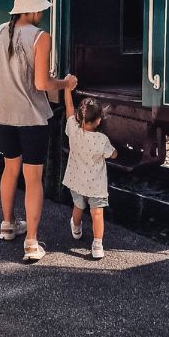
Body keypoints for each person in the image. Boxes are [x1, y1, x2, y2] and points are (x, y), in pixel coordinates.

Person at [0, 0, 77, 263]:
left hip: (2, 115)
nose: (42, 14)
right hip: (32, 118)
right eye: (41, 10)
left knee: (11, 168)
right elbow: (42, 85)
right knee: (33, 177)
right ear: (33, 11)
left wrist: (8, 86)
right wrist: (66, 83)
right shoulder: (40, 38)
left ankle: (8, 225)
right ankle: (32, 243)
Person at [62, 91, 117, 260]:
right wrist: (115, 151)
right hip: (96, 186)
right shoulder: (102, 140)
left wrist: (67, 90)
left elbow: (69, 109)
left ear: (79, 117)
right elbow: (113, 154)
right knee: (97, 213)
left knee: (78, 207)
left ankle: (76, 227)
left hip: (77, 181)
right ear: (99, 120)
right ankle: (97, 244)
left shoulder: (73, 130)